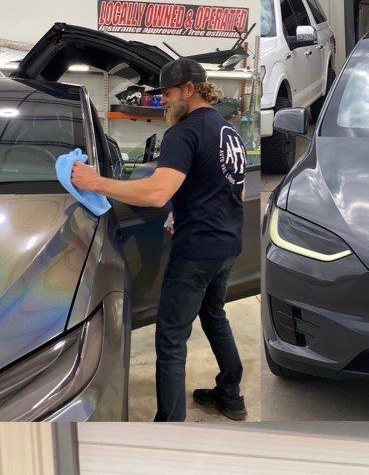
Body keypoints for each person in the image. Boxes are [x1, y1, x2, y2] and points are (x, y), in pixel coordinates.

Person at [71, 58, 248, 419]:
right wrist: (179, 208)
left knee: (170, 341)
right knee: (214, 315)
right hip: (228, 245)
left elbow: (154, 193)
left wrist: (94, 183)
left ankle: (169, 426)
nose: (162, 101)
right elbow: (230, 189)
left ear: (189, 90)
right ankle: (231, 394)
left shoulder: (182, 133)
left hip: (195, 252)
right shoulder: (227, 130)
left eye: (167, 94)